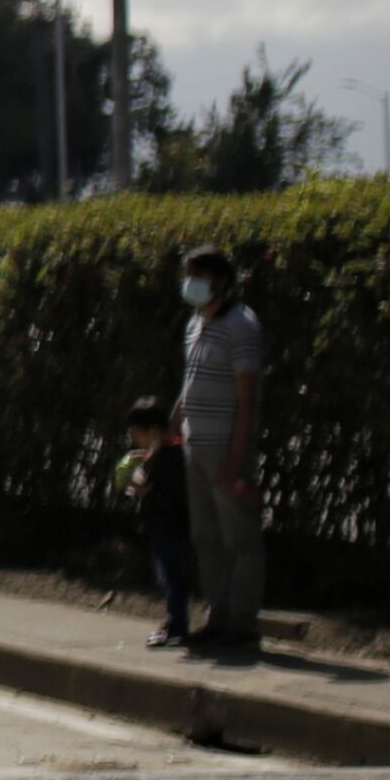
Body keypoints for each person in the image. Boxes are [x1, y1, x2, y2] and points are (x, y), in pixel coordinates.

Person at [175, 242, 268, 659]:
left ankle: (243, 623)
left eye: (200, 277)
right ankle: (218, 616)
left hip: (223, 450)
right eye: (188, 276)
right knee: (206, 536)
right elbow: (190, 381)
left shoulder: (241, 326)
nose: (191, 285)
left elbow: (247, 398)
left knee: (240, 539)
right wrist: (174, 427)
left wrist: (234, 460)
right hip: (196, 447)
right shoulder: (196, 325)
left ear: (222, 283)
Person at [121, 397, 198, 652]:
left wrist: (146, 492)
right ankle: (174, 622)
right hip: (162, 526)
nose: (135, 441)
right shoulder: (160, 455)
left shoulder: (172, 458)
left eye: (137, 434)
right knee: (168, 576)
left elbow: (173, 497)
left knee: (173, 577)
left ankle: (177, 625)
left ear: (153, 431)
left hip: (171, 527)